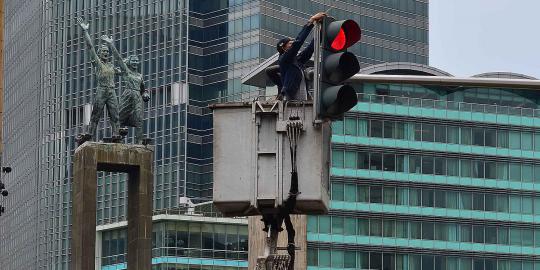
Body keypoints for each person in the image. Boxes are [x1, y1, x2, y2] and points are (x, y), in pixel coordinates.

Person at [77, 18, 122, 140]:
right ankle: (90, 133)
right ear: (99, 53)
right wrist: (85, 31)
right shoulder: (98, 63)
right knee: (96, 114)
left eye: (107, 51)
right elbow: (90, 47)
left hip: (111, 91)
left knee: (115, 115)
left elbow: (123, 70)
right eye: (103, 51)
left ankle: (116, 134)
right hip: (102, 90)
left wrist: (111, 45)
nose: (105, 53)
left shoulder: (112, 66)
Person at [101, 36, 150, 144]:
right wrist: (111, 44)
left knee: (139, 119)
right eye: (133, 61)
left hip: (137, 97)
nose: (135, 63)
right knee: (119, 118)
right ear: (129, 62)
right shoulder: (126, 71)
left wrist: (145, 94)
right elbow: (118, 58)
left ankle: (139, 140)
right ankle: (117, 136)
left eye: (137, 61)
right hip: (127, 95)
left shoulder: (140, 76)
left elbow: (143, 89)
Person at [276, 12, 327, 101]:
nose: (292, 44)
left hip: (303, 101)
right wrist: (311, 21)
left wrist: (322, 30)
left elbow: (311, 48)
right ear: (284, 48)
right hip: (290, 101)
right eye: (290, 44)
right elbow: (298, 42)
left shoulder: (297, 61)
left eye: (292, 43)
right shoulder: (284, 60)